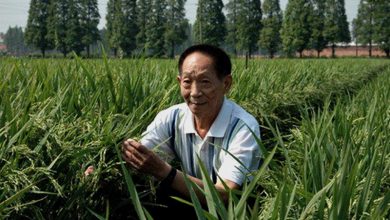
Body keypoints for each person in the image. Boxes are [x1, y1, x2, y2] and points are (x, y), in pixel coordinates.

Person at [121, 44, 261, 216]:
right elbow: (138, 156)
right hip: (191, 207)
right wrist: (104, 168)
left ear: (226, 83)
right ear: (179, 82)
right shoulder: (171, 118)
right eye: (187, 82)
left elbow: (225, 194)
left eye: (205, 82)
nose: (195, 92)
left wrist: (163, 171)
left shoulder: (242, 127)